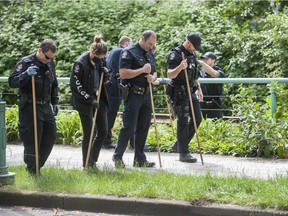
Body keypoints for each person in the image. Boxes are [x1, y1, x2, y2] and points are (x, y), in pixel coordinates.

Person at [8, 39, 59, 175]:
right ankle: (32, 170)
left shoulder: (49, 63)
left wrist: (55, 102)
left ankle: (36, 166)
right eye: (47, 57)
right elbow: (12, 82)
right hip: (30, 106)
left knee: (51, 135)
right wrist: (25, 74)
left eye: (51, 58)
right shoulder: (25, 62)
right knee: (32, 139)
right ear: (40, 51)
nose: (49, 60)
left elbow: (54, 84)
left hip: (45, 105)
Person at [112, 30, 157, 168]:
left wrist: (152, 77)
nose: (151, 46)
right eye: (149, 43)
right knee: (128, 126)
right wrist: (142, 71)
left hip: (146, 94)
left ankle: (139, 158)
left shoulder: (149, 53)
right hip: (133, 94)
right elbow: (123, 73)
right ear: (142, 38)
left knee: (143, 127)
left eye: (153, 44)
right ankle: (117, 156)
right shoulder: (128, 52)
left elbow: (154, 71)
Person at [70, 34, 110, 168]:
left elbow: (106, 80)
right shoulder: (80, 63)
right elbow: (75, 86)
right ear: (92, 52)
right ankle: (87, 163)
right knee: (89, 133)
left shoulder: (102, 60)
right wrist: (89, 98)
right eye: (99, 58)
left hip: (100, 99)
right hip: (85, 102)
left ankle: (93, 158)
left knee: (103, 131)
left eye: (102, 59)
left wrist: (106, 74)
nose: (101, 61)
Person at [166, 33, 203, 163]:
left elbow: (195, 76)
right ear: (188, 42)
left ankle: (180, 144)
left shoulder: (192, 55)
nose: (195, 49)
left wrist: (199, 89)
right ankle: (183, 153)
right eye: (194, 46)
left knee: (198, 118)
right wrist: (180, 67)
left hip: (191, 91)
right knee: (182, 121)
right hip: (179, 92)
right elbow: (170, 74)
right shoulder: (175, 54)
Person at [103, 36, 133, 149]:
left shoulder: (113, 51)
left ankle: (105, 138)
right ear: (126, 44)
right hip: (114, 86)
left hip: (109, 85)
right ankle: (105, 140)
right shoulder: (122, 51)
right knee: (111, 113)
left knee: (107, 112)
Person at [198, 52, 225, 119]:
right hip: (202, 104)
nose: (204, 61)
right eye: (204, 59)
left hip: (215, 104)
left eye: (207, 59)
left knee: (217, 126)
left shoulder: (219, 71)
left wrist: (201, 63)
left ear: (213, 60)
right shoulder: (202, 72)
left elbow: (214, 74)